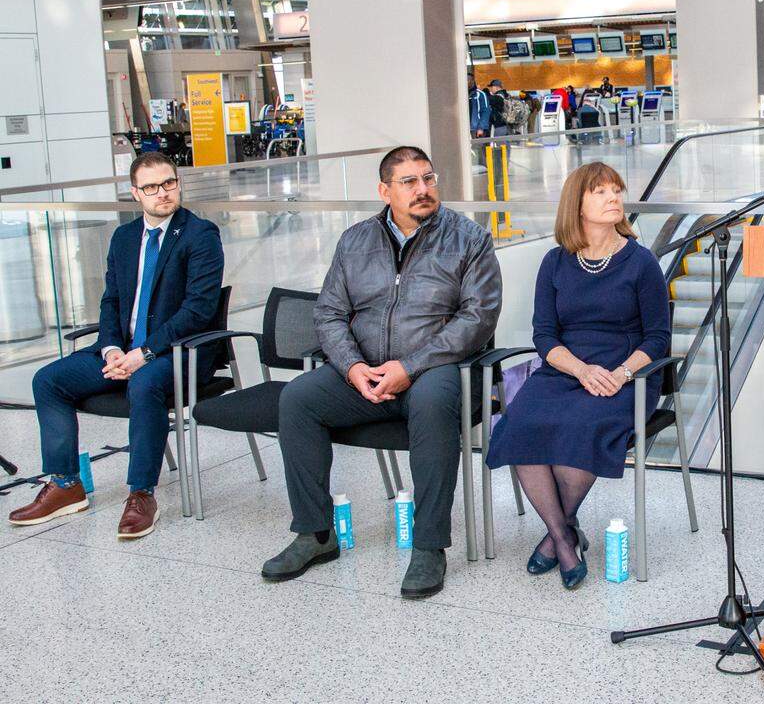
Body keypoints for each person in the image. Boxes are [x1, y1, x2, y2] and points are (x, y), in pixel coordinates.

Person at [261, 146, 502, 599]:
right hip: (364, 372)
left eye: (428, 178)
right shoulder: (355, 241)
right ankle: (315, 534)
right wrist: (353, 368)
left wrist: (408, 368)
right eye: (409, 182)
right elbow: (329, 314)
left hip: (435, 370)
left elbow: (478, 318)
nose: (423, 189)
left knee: (432, 404)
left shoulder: (469, 239)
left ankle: (429, 545)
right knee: (298, 398)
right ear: (384, 190)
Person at [8, 152, 224, 539]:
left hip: (178, 351)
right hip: (122, 351)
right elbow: (111, 301)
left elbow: (198, 310)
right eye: (152, 187)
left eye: (169, 183)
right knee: (48, 380)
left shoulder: (200, 235)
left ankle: (141, 493)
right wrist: (110, 349)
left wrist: (144, 354)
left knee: (144, 383)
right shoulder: (124, 238)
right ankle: (65, 483)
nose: (163, 193)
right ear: (135, 193)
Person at [485, 162, 670, 590]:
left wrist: (620, 374)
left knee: (584, 426)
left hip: (626, 374)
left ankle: (557, 539)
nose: (613, 198)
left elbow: (658, 338)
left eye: (616, 191)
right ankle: (565, 537)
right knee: (523, 422)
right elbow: (545, 335)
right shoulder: (554, 262)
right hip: (566, 368)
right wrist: (581, 369)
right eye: (601, 192)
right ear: (578, 204)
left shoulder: (641, 263)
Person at [468, 72, 490, 139]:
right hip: (463, 129)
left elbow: (486, 111)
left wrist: (481, 128)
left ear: (472, 81)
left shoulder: (480, 94)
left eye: (468, 80)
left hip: (476, 129)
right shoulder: (462, 94)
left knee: (477, 148)